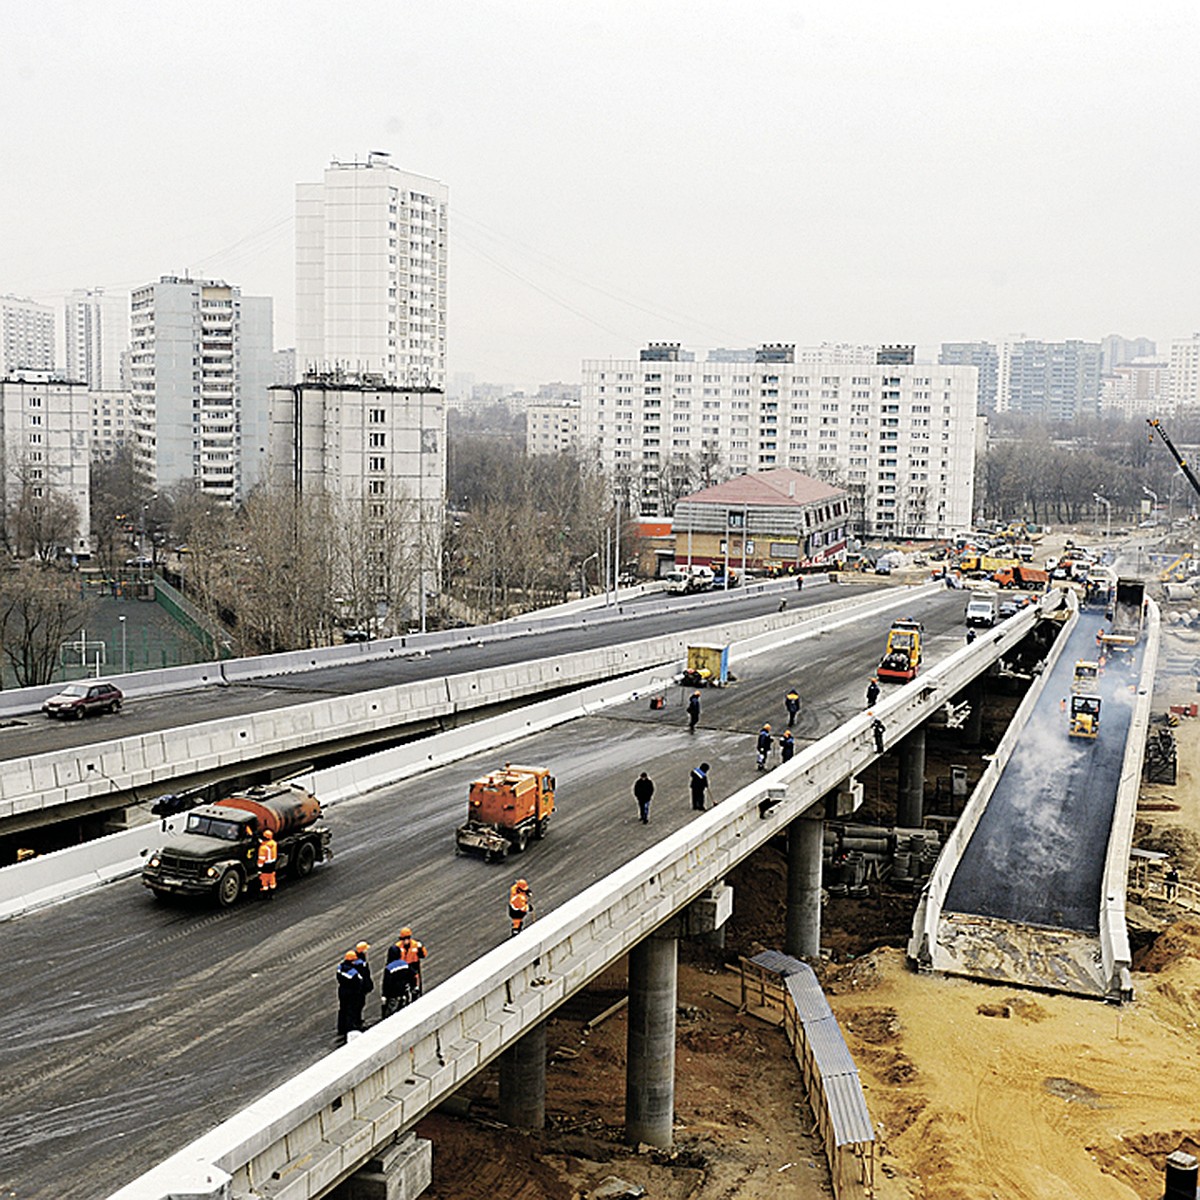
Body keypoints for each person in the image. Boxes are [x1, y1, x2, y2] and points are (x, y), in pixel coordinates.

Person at [336, 949, 370, 1042]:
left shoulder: (340, 968)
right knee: (351, 1010)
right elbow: (359, 983)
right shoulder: (354, 973)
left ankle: (341, 1027)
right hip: (352, 993)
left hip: (342, 991)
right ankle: (350, 1027)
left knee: (343, 1009)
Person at [386, 927, 426, 998]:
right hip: (403, 968)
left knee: (415, 987)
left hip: (414, 966)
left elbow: (423, 955)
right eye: (403, 939)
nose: (405, 941)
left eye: (407, 938)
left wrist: (420, 949)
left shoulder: (416, 945)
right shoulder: (397, 946)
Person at [256, 829, 277, 898]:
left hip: (266, 864)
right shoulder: (274, 843)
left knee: (264, 879)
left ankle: (264, 894)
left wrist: (259, 867)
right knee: (272, 878)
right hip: (273, 863)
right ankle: (271, 894)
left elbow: (261, 859)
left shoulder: (263, 848)